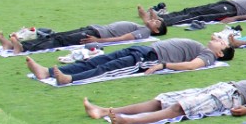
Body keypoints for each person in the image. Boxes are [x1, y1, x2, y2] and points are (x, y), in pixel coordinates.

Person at [83, 76, 246, 124]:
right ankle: (105, 110)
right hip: (226, 87)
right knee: (164, 100)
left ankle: (125, 121)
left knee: (180, 108)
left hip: (233, 97)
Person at [26, 37, 234, 85]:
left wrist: (162, 65)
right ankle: (48, 72)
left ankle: (69, 78)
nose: (217, 39)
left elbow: (191, 66)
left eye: (221, 42)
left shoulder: (207, 57)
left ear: (220, 54)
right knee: (98, 60)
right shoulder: (205, 47)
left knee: (106, 68)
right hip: (144, 49)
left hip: (149, 58)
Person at [0, 16, 165, 54]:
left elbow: (123, 38)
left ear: (156, 31)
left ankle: (22, 47)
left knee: (60, 41)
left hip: (95, 34)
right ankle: (11, 45)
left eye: (156, 22)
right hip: (92, 29)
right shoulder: (142, 25)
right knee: (57, 36)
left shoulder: (144, 32)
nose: (153, 20)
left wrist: (100, 40)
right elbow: (147, 15)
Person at [140, 0, 246, 32]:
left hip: (232, 10)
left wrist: (234, 18)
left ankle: (161, 21)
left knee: (197, 15)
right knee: (191, 10)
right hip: (227, 4)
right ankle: (160, 17)